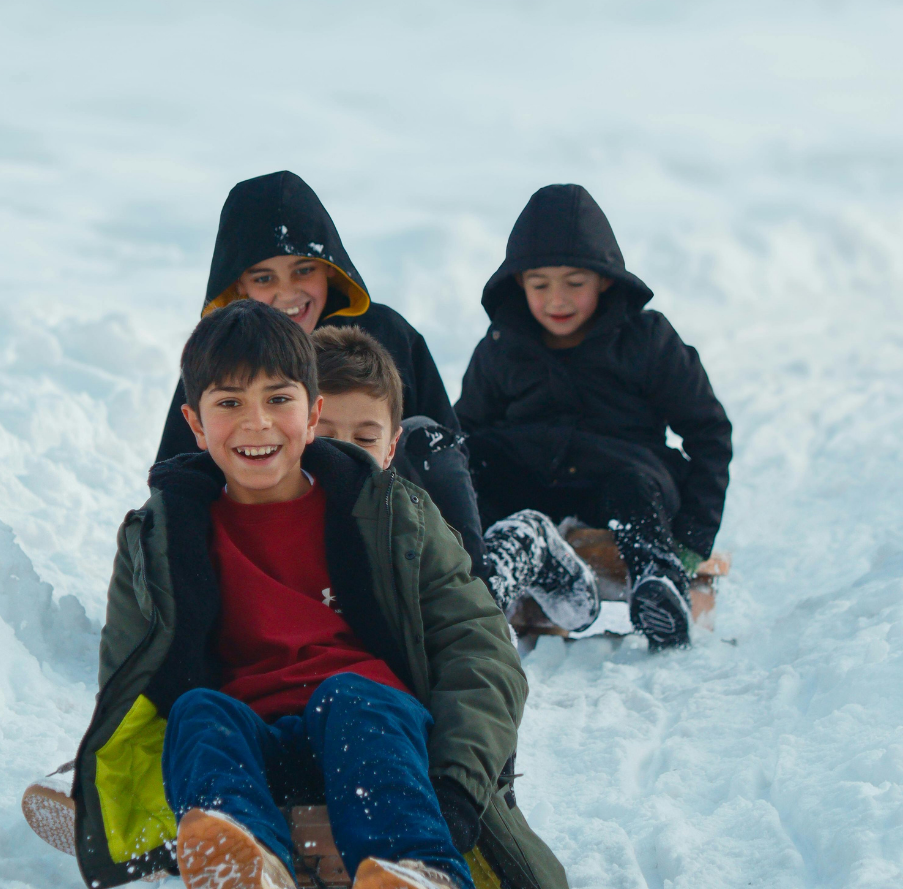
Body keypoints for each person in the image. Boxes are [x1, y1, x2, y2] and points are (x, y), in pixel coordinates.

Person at [72, 299, 527, 889]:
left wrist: (461, 788)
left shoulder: (389, 513)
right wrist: (118, 788)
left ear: (313, 414)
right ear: (194, 423)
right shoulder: (162, 538)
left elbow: (479, 649)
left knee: (352, 697)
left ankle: (430, 887)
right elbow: (130, 686)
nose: (256, 423)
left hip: (377, 740)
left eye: (278, 399)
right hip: (258, 750)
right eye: (229, 403)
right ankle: (251, 883)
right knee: (197, 711)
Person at [153, 170, 489, 577]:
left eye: (303, 270)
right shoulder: (221, 354)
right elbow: (177, 473)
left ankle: (473, 582)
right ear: (238, 284)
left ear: (330, 268)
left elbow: (444, 447)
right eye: (264, 277)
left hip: (393, 534)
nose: (288, 293)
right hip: (275, 542)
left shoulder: (388, 334)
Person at [456, 184, 733, 649]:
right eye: (540, 285)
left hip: (619, 478)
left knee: (634, 488)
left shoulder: (646, 339)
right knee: (473, 457)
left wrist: (693, 536)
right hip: (534, 483)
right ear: (519, 283)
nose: (557, 300)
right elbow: (465, 430)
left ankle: (657, 582)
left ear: (604, 280)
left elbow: (708, 431)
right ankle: (485, 576)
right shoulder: (502, 346)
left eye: (574, 283)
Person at [312, 324, 599, 632]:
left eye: (365, 439)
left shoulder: (400, 509)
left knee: (479, 595)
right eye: (325, 438)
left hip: (433, 475)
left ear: (389, 447)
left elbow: (475, 626)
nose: (346, 454)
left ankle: (531, 537)